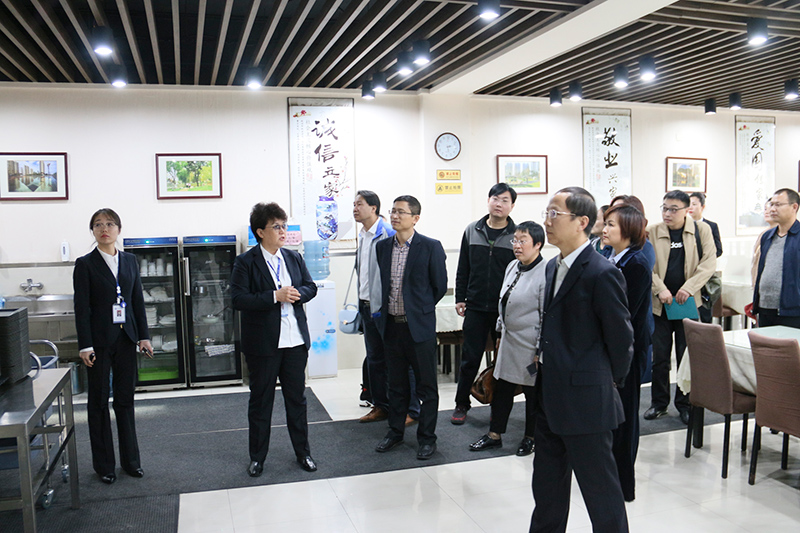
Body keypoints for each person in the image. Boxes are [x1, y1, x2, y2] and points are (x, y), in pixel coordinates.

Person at [530, 186, 633, 532]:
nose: (547, 221)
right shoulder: (551, 267)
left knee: (601, 494)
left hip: (587, 401)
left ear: (582, 222)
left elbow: (621, 341)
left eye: (554, 214)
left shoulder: (601, 272)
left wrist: (603, 381)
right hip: (549, 394)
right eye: (546, 213)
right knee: (547, 490)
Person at [231, 202, 318, 477]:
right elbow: (238, 299)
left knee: (297, 401)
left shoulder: (293, 258)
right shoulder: (245, 262)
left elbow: (310, 287)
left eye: (284, 225)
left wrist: (297, 295)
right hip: (263, 344)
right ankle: (257, 458)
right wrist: (274, 296)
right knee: (261, 402)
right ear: (260, 232)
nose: (283, 231)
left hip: (295, 341)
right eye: (276, 226)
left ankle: (303, 453)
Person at [73, 208, 153, 484]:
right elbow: (81, 308)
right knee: (98, 402)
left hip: (126, 338)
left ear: (119, 229)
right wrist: (85, 345)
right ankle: (104, 466)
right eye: (98, 225)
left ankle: (131, 462)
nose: (104, 229)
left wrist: (144, 336)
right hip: (98, 342)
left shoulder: (130, 261)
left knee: (125, 400)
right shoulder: (85, 264)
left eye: (109, 224)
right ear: (92, 231)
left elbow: (137, 301)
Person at [374, 195, 447, 460]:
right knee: (396, 385)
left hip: (419, 328)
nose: (394, 216)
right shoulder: (383, 247)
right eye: (393, 211)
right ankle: (395, 432)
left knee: (427, 386)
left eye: (401, 212)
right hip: (392, 327)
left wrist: (419, 310)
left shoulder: (430, 247)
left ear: (415, 218)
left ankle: (427, 438)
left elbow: (439, 286)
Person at [468, 221, 545, 457]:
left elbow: (546, 315)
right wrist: (499, 334)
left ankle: (531, 437)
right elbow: (504, 303)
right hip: (509, 342)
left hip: (531, 346)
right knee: (502, 389)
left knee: (532, 393)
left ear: (538, 245)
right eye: (515, 240)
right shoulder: (513, 266)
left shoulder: (545, 272)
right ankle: (494, 434)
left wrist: (540, 350)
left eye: (523, 241)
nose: (517, 245)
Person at [645, 190, 716, 425]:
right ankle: (659, 403)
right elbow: (646, 265)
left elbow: (708, 263)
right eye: (664, 208)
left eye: (673, 209)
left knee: (686, 357)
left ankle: (685, 404)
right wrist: (659, 289)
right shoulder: (652, 232)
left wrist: (689, 288)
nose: (667, 213)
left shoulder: (701, 230)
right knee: (660, 358)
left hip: (688, 304)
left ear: (687, 210)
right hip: (661, 304)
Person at [352, 191, 420, 425]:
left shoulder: (389, 234)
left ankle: (411, 409)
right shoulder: (362, 235)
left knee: (399, 360)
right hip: (366, 305)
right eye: (354, 204)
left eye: (359, 204)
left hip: (386, 308)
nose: (355, 209)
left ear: (373, 208)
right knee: (375, 359)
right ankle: (382, 405)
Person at [452, 183, 517, 425]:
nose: (499, 204)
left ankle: (498, 407)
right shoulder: (472, 230)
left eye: (505, 200)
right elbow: (463, 267)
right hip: (476, 307)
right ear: (488, 200)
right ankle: (462, 403)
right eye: (495, 199)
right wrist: (460, 297)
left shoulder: (517, 235)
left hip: (504, 310)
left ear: (512, 206)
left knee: (503, 361)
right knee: (470, 358)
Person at [602, 204, 652, 502]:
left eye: (611, 224)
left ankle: (624, 486)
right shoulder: (611, 257)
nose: (604, 229)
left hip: (628, 353)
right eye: (605, 223)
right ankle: (610, 479)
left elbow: (625, 316)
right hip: (612, 351)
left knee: (626, 418)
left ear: (629, 230)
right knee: (612, 418)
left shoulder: (636, 265)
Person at [752, 188, 800, 328]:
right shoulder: (767, 236)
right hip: (765, 307)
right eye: (771, 204)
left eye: (778, 205)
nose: (772, 209)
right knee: (764, 342)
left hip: (792, 310)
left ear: (794, 207)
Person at [688, 192, 723, 323]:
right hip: (689, 274)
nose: (691, 207)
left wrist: (705, 259)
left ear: (702, 207)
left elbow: (718, 250)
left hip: (704, 275)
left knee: (705, 311)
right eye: (689, 204)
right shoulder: (684, 225)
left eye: (694, 204)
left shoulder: (711, 226)